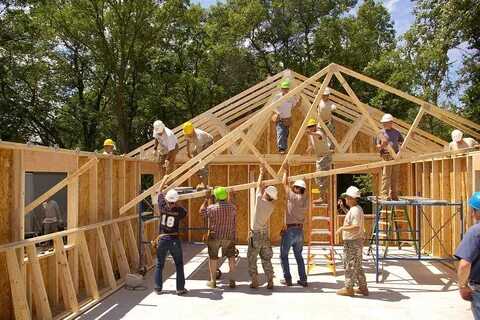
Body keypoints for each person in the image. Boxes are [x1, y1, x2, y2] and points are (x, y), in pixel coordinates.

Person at [152, 180, 188, 296]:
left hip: (162, 240)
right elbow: (184, 211)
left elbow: (159, 193)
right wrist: (176, 203)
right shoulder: (179, 211)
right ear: (176, 201)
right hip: (174, 240)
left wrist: (163, 181)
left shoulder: (162, 207)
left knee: (159, 264)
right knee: (178, 264)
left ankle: (158, 288)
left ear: (167, 200)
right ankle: (180, 289)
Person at [200, 186, 237, 289]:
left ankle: (213, 281)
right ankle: (232, 281)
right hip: (228, 236)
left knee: (213, 258)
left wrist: (206, 199)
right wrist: (233, 197)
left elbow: (201, 212)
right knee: (231, 258)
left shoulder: (211, 208)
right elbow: (231, 207)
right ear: (226, 196)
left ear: (215, 197)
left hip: (214, 236)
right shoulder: (232, 207)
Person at [247, 167, 278, 289]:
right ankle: (270, 280)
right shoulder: (271, 206)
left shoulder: (259, 200)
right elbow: (261, 189)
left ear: (266, 193)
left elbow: (258, 186)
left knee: (252, 258)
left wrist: (261, 173)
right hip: (264, 234)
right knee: (266, 258)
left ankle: (255, 281)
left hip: (255, 235)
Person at [335, 186, 368, 296]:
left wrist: (342, 228)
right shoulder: (357, 209)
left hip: (352, 242)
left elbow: (355, 226)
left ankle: (349, 288)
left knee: (349, 265)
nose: (346, 199)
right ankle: (363, 288)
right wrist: (343, 208)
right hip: (356, 241)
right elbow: (351, 218)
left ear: (353, 198)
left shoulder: (355, 211)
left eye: (347, 197)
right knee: (357, 265)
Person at [280, 170, 308, 287]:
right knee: (299, 256)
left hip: (290, 230)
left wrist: (286, 171)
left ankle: (288, 279)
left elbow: (283, 183)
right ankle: (303, 279)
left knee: (284, 255)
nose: (292, 188)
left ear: (297, 188)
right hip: (299, 231)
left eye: (294, 187)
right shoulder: (305, 199)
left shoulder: (292, 196)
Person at [455, 192, 480, 319]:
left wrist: (462, 286)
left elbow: (465, 265)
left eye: (474, 210)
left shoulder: (475, 232)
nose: (472, 214)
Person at [376, 113, 403, 200]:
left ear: (391, 122)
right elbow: (378, 146)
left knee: (394, 176)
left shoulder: (397, 132)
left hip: (395, 156)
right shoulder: (381, 133)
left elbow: (401, 142)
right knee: (386, 176)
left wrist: (400, 151)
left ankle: (393, 194)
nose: (383, 124)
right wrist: (382, 146)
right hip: (386, 156)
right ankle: (384, 194)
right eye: (383, 123)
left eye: (385, 122)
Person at [271, 79, 302, 154]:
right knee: (281, 133)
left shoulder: (290, 97)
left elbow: (296, 105)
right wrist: (277, 112)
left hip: (287, 119)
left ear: (288, 89)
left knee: (285, 134)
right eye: (284, 88)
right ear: (281, 89)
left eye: (286, 89)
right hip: (280, 119)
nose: (285, 90)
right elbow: (272, 107)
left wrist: (300, 100)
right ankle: (281, 149)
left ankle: (283, 149)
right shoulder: (277, 97)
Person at [306, 118, 332, 204]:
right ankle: (322, 196)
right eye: (309, 127)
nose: (311, 128)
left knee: (321, 177)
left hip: (325, 156)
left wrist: (312, 133)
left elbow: (319, 136)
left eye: (312, 126)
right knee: (318, 178)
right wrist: (309, 148)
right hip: (319, 158)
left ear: (315, 126)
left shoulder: (318, 132)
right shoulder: (311, 135)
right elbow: (311, 142)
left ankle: (322, 197)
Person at [183, 121, 214, 189]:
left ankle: (205, 184)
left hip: (208, 143)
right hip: (200, 144)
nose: (189, 136)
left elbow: (200, 153)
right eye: (188, 134)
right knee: (194, 156)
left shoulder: (199, 137)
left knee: (203, 162)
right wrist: (188, 152)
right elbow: (187, 141)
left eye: (190, 134)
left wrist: (200, 163)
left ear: (193, 131)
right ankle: (200, 179)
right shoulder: (187, 132)